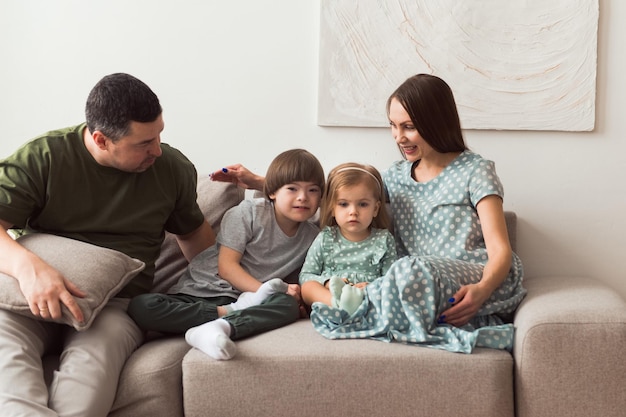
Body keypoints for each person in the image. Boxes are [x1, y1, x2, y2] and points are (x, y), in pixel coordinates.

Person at [210, 73, 526, 353]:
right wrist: (262, 182)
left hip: (469, 275)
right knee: (357, 283)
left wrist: (482, 290)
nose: (398, 137)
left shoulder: (476, 171)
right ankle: (359, 305)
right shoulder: (397, 175)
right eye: (393, 125)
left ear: (435, 123)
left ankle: (367, 311)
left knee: (411, 270)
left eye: (409, 127)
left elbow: (500, 251)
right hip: (407, 283)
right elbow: (342, 195)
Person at [0, 73, 215, 416]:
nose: (157, 150)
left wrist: (228, 293)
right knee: (7, 369)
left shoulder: (171, 168)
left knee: (85, 390)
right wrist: (32, 272)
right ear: (101, 140)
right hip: (32, 295)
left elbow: (193, 237)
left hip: (116, 306)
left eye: (159, 134)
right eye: (144, 143)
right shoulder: (43, 157)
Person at [128, 148, 325, 360]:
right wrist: (261, 292)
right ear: (272, 191)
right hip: (201, 294)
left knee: (287, 306)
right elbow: (227, 269)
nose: (303, 198)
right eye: (292, 189)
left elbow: (346, 205)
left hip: (246, 300)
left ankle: (216, 329)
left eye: (313, 190)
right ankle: (225, 318)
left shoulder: (314, 237)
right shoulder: (247, 212)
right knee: (141, 307)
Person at [299, 162, 397, 315]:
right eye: (344, 204)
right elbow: (306, 275)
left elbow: (391, 280)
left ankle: (355, 305)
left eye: (363, 204)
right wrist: (327, 282)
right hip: (331, 296)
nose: (353, 212)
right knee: (307, 287)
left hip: (368, 297)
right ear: (332, 208)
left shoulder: (383, 240)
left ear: (375, 209)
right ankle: (339, 304)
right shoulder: (326, 238)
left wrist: (371, 287)